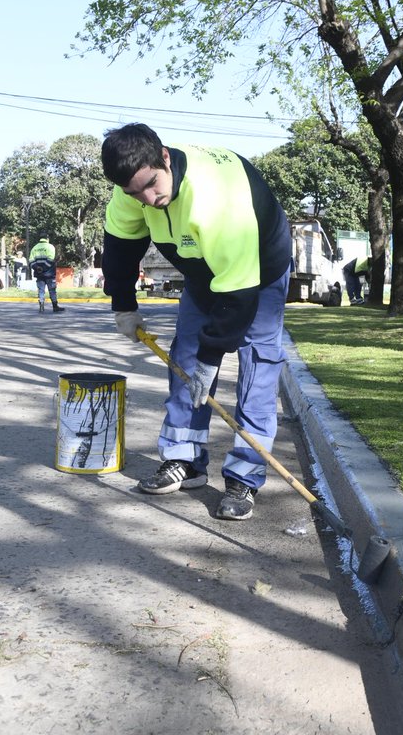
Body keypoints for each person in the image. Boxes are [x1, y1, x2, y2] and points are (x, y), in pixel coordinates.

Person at [101, 122, 291, 521]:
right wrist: (123, 305)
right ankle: (184, 460)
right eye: (135, 193)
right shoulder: (130, 189)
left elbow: (238, 292)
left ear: (164, 158)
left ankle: (245, 476)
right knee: (185, 357)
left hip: (258, 269)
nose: (148, 200)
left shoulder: (217, 197)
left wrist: (212, 356)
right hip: (202, 270)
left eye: (151, 185)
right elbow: (120, 248)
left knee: (257, 365)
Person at [28, 235, 63, 313]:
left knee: (41, 290)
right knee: (52, 290)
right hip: (49, 273)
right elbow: (50, 259)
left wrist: (37, 268)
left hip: (39, 274)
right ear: (47, 239)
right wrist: (44, 268)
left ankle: (41, 306)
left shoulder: (34, 248)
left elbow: (31, 261)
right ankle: (55, 306)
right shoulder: (50, 247)